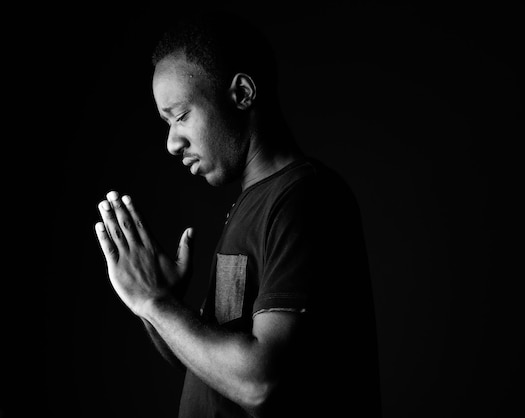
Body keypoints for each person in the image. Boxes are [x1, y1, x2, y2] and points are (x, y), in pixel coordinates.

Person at [95, 10, 381, 418]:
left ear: (242, 93)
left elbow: (260, 382)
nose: (171, 143)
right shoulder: (253, 201)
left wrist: (156, 304)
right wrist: (158, 305)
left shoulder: (304, 198)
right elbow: (212, 368)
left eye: (180, 115)